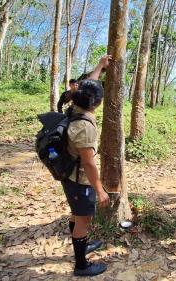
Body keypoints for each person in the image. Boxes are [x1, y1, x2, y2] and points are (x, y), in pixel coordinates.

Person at [63, 55, 112, 277]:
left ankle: (82, 245)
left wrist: (100, 67)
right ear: (96, 103)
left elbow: (87, 85)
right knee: (83, 219)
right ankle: (81, 265)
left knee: (76, 214)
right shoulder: (85, 126)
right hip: (79, 179)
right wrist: (100, 190)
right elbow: (89, 163)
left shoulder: (75, 105)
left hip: (70, 175)